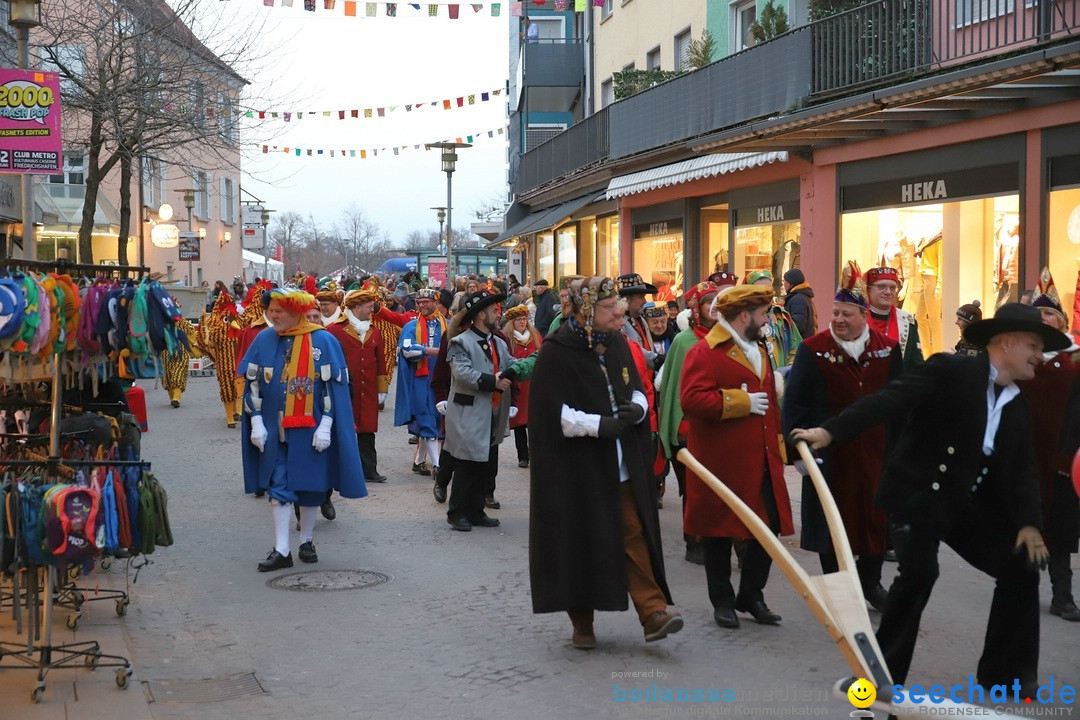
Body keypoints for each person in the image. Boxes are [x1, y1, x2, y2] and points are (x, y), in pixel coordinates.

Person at [791, 302, 1067, 695]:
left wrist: (1029, 524)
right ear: (1005, 342)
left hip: (963, 505)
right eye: (1034, 345)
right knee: (920, 573)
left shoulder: (1016, 404)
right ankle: (878, 677)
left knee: (1021, 565)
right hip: (917, 495)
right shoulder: (951, 370)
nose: (1040, 357)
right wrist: (830, 432)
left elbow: (1022, 473)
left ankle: (1004, 675)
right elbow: (890, 401)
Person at [529, 276, 683, 649]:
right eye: (608, 308)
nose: (619, 312)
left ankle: (653, 613)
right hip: (578, 468)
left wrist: (640, 407)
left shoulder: (616, 342)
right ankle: (583, 624)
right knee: (579, 541)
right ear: (585, 312)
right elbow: (551, 413)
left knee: (632, 534)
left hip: (621, 462)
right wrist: (599, 425)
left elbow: (635, 386)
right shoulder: (556, 351)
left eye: (617, 305)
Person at [782, 263, 902, 611]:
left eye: (846, 313)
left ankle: (870, 584)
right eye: (835, 312)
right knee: (830, 527)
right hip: (829, 457)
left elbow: (901, 402)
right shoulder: (812, 349)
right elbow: (795, 405)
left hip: (877, 455)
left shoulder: (887, 349)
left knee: (876, 522)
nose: (838, 319)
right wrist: (799, 452)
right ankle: (838, 589)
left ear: (863, 315)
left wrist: (902, 451)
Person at [681, 284, 794, 628]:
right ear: (744, 315)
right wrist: (739, 403)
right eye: (762, 314)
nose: (767, 320)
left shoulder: (759, 346)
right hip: (721, 461)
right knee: (718, 533)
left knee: (767, 528)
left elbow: (770, 405)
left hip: (761, 459)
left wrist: (780, 447)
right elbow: (691, 400)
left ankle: (752, 595)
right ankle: (723, 601)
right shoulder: (704, 351)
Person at [240, 288, 367, 571]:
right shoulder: (263, 338)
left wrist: (327, 425)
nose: (273, 316)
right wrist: (256, 420)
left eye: (279, 311)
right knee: (278, 485)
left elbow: (335, 390)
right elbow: (253, 383)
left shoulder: (323, 339)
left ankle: (306, 541)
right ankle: (282, 548)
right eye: (271, 310)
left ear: (296, 311)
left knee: (310, 486)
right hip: (274, 430)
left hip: (311, 429)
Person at [656, 275, 736, 565]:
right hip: (688, 430)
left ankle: (730, 540)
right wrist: (670, 429)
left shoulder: (733, 337)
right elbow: (673, 389)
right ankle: (695, 542)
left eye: (718, 301)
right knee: (693, 490)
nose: (714, 306)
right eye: (707, 302)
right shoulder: (683, 340)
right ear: (696, 307)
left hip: (723, 426)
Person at [1017, 269, 1080, 622]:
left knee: (1061, 526)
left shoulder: (1076, 359)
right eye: (1039, 314)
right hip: (1027, 452)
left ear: (1061, 321)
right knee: (1026, 519)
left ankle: (1062, 594)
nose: (1044, 319)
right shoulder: (1024, 355)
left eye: (1050, 314)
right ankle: (1021, 590)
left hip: (1063, 453)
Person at [443, 289, 513, 531]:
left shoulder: (498, 342)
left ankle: (475, 510)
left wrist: (532, 363)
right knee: (467, 463)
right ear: (481, 314)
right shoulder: (461, 341)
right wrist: (493, 381)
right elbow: (462, 373)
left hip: (491, 411)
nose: (499, 313)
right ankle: (457, 512)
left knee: (485, 464)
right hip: (468, 412)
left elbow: (510, 364)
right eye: (495, 310)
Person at [327, 288, 390, 485]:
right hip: (344, 387)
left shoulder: (375, 331)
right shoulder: (334, 330)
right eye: (369, 307)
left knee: (367, 430)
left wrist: (382, 388)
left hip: (369, 388)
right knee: (343, 429)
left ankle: (369, 470)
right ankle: (341, 469)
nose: (372, 310)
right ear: (357, 307)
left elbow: (380, 361)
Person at [395, 288, 446, 476]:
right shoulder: (411, 326)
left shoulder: (448, 326)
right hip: (421, 380)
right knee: (427, 418)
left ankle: (418, 461)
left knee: (439, 419)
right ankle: (438, 465)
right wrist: (428, 351)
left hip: (442, 380)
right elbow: (406, 350)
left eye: (426, 302)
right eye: (419, 302)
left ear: (436, 303)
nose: (422, 305)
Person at [865, 266, 922, 370]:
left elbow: (916, 366)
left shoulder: (908, 322)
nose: (888, 292)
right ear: (869, 290)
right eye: (881, 287)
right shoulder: (854, 319)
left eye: (892, 287)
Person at [503, 305, 540, 468]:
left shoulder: (536, 337)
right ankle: (522, 456)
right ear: (513, 322)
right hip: (518, 384)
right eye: (518, 320)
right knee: (519, 422)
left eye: (524, 319)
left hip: (534, 384)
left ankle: (535, 453)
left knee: (534, 422)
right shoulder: (507, 339)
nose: (522, 322)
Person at [200, 290, 242, 427]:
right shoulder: (216, 326)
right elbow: (210, 343)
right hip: (224, 365)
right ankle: (230, 416)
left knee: (237, 387)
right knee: (227, 389)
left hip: (237, 364)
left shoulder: (237, 321)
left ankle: (236, 411)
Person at [747, 269, 801, 370]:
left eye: (769, 290)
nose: (767, 294)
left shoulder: (783, 317)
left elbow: (797, 348)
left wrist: (790, 367)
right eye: (760, 291)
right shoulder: (744, 320)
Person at [617, 273, 660, 370]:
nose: (645, 301)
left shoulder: (642, 320)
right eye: (641, 297)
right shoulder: (619, 324)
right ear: (627, 299)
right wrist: (658, 360)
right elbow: (632, 351)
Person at [782, 268, 817, 339]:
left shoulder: (798, 299)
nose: (783, 284)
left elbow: (797, 326)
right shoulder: (801, 296)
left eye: (784, 281)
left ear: (790, 283)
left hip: (800, 344)